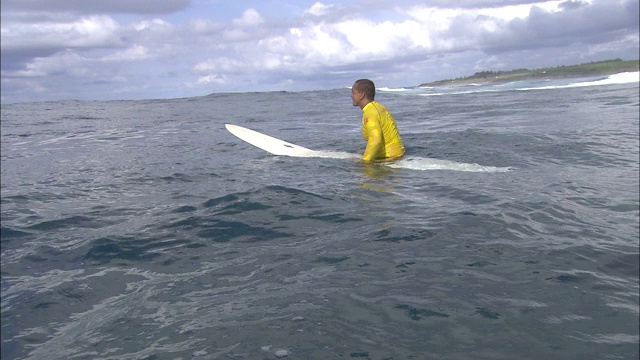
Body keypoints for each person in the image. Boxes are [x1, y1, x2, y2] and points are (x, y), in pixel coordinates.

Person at [351, 79, 405, 162]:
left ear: (361, 95)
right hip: (398, 154)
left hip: (389, 160)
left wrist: (364, 162)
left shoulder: (370, 112)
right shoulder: (380, 107)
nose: (351, 96)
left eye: (353, 92)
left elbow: (375, 141)